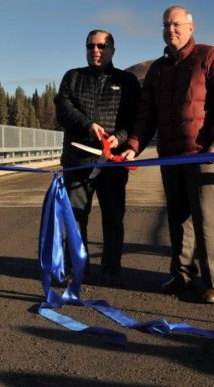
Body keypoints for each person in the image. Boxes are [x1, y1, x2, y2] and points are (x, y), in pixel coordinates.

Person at [120, 6, 214, 304]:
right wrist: (133, 145)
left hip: (203, 155)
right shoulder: (158, 70)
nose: (170, 30)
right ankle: (182, 275)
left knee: (207, 220)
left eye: (176, 24)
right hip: (170, 156)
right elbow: (146, 115)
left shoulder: (210, 57)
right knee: (178, 219)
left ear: (191, 27)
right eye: (165, 25)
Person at [54, 29, 140, 284]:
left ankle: (111, 268)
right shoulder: (72, 77)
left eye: (102, 46)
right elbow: (63, 110)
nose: (96, 51)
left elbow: (134, 120)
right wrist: (88, 125)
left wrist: (120, 138)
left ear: (113, 49)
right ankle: (76, 267)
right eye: (90, 46)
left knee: (113, 216)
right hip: (77, 161)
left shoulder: (127, 81)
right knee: (76, 216)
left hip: (112, 162)